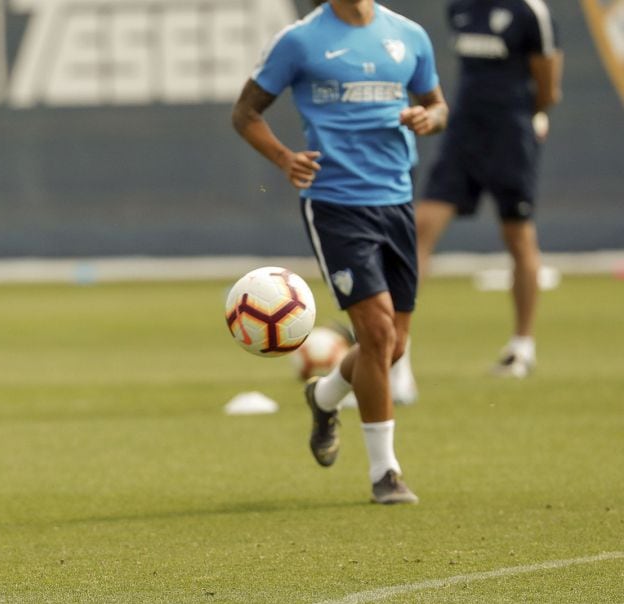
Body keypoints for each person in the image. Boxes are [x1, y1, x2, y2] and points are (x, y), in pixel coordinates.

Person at [232, 0, 447, 504]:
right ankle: (385, 473)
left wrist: (427, 117)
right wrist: (285, 158)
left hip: (396, 198)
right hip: (335, 203)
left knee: (391, 347)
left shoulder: (408, 35)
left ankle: (324, 395)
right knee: (375, 331)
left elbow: (439, 105)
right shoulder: (301, 41)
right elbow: (245, 113)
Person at [416, 0, 563, 378]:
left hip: (510, 137)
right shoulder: (460, 7)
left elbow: (548, 85)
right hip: (463, 135)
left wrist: (531, 116)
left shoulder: (531, 12)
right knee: (420, 228)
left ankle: (521, 346)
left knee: (518, 236)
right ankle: (394, 345)